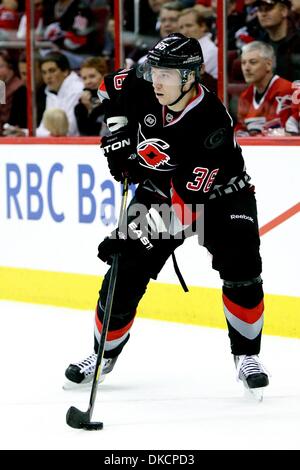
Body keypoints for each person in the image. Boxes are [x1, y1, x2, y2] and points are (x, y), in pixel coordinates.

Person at [65, 33, 269, 394]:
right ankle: (102, 355)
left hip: (221, 198)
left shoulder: (211, 121)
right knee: (123, 275)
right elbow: (108, 88)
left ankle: (246, 356)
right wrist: (119, 132)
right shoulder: (143, 84)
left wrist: (129, 236)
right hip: (162, 191)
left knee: (242, 266)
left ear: (191, 77)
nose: (157, 80)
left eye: (168, 74)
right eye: (155, 70)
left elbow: (187, 202)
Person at [235, 40, 293, 135]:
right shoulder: (245, 96)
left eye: (253, 62)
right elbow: (240, 130)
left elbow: (284, 133)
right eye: (243, 63)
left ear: (268, 65)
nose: (246, 68)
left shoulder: (287, 90)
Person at [36, 51, 84, 136]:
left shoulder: (77, 89)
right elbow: (43, 128)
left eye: (52, 71)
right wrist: (25, 133)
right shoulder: (51, 92)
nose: (48, 76)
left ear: (65, 71)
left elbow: (68, 130)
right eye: (44, 72)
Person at [74, 56, 108, 136]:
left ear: (104, 76)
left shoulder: (115, 99)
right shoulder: (81, 106)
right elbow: (86, 135)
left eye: (92, 76)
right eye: (84, 78)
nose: (88, 81)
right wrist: (88, 109)